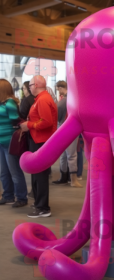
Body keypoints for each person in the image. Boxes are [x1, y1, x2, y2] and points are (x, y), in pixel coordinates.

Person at [20, 75, 58, 218]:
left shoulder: (43, 99)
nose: (28, 88)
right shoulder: (41, 99)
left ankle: (43, 207)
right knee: (37, 174)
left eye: (29, 85)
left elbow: (46, 122)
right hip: (38, 140)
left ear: (35, 85)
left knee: (40, 175)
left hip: (41, 141)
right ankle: (39, 204)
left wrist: (28, 125)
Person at [0, 79, 28, 208]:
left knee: (14, 171)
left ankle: (21, 197)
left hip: (10, 142)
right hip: (2, 142)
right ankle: (8, 196)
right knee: (4, 171)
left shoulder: (10, 103)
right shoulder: (3, 103)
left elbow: (15, 120)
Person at [52, 80, 82, 188]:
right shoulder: (71, 99)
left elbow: (57, 113)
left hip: (65, 128)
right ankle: (71, 179)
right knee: (70, 154)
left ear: (60, 88)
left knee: (67, 154)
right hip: (70, 128)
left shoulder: (65, 100)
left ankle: (66, 178)